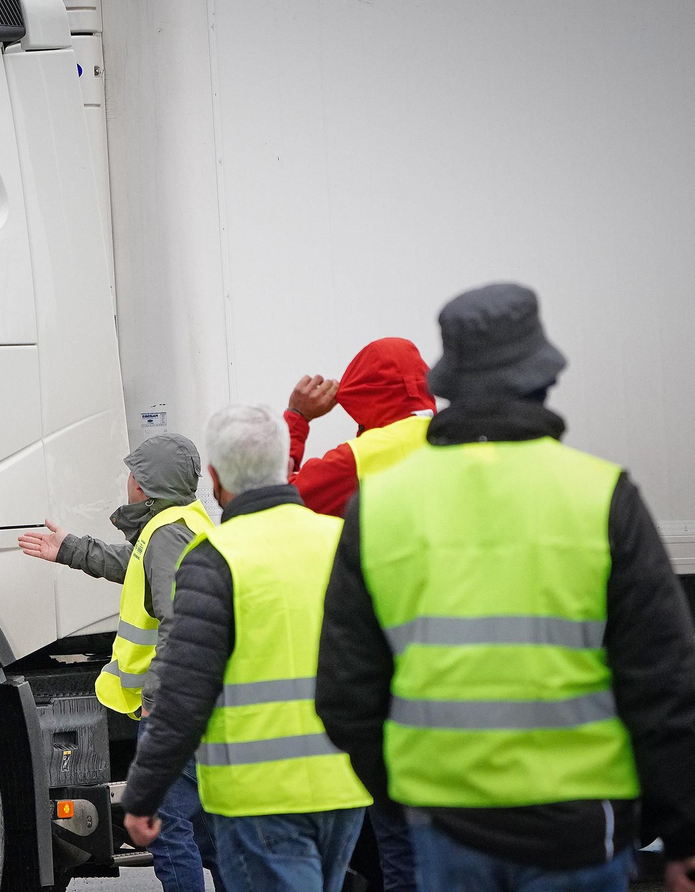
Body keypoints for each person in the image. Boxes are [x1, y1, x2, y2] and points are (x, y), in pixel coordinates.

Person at [315, 283, 695, 892]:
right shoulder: (601, 496)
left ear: (450, 383)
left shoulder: (382, 506)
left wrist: (406, 801)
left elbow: (345, 691)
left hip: (443, 827)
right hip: (581, 826)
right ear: (543, 380)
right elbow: (663, 681)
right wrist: (680, 830)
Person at [123, 404, 371, 892]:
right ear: (284, 464)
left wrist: (144, 793)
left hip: (258, 796)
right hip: (343, 786)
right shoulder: (343, 538)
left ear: (214, 478)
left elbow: (184, 690)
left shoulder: (216, 559)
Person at [19, 433, 219, 892]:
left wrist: (157, 698)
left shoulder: (167, 533)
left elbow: (180, 618)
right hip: (199, 703)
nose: (127, 480)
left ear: (146, 485)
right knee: (208, 834)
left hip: (172, 708)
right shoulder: (183, 522)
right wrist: (68, 548)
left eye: (134, 473)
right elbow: (133, 565)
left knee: (169, 834)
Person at [286, 337, 434, 891]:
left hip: (396, 673)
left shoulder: (366, 457)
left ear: (364, 396)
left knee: (401, 849)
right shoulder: (469, 440)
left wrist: (298, 420)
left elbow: (270, 505)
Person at [284, 337, 437, 517]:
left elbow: (278, 497)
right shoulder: (460, 437)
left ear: (365, 395)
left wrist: (297, 417)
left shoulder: (359, 458)